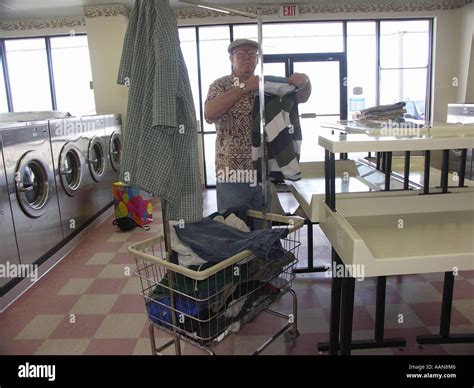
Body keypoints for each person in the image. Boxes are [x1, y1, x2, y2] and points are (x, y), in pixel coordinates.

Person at [205, 38, 312, 213]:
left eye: (251, 53)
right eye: (240, 53)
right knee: (235, 228)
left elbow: (300, 97)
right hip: (232, 172)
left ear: (257, 59)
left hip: (263, 171)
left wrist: (305, 81)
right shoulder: (220, 85)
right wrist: (245, 87)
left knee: (263, 227)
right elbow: (209, 113)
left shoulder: (268, 85)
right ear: (231, 59)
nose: (246, 57)